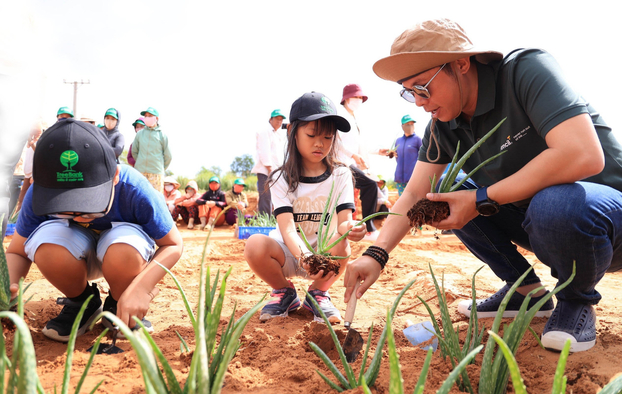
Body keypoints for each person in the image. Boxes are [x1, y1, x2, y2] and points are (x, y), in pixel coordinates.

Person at [344, 18, 622, 353]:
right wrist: (376, 254)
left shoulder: (525, 72)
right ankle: (525, 293)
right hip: (543, 223)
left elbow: (583, 155)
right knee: (443, 193)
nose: (419, 101)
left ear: (461, 64)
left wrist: (480, 198)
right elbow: (416, 193)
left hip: (603, 221)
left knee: (555, 202)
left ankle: (576, 301)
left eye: (423, 86)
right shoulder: (443, 125)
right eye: (409, 91)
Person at [5, 118, 183, 342]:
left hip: (123, 253)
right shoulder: (38, 193)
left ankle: (119, 301)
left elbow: (173, 244)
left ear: (115, 176)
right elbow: (17, 252)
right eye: (64, 209)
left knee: (122, 250)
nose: (77, 216)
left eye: (88, 206)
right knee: (47, 246)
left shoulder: (134, 188)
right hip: (72, 253)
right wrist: (7, 289)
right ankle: (82, 302)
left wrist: (141, 288)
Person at [244, 91, 366, 323]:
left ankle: (318, 293)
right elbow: (288, 229)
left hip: (325, 255)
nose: (320, 143)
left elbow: (344, 222)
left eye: (328, 137)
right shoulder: (281, 178)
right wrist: (305, 257)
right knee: (255, 245)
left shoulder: (340, 175)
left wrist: (352, 227)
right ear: (292, 131)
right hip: (290, 253)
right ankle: (284, 291)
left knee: (344, 245)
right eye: (311, 134)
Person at [335, 84, 380, 241]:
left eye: (361, 98)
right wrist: (353, 155)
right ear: (347, 99)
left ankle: (362, 228)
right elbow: (336, 142)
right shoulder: (340, 116)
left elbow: (360, 145)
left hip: (350, 164)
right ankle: (368, 229)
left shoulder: (354, 118)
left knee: (364, 187)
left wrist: (371, 155)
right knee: (369, 185)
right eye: (356, 97)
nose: (359, 100)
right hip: (339, 164)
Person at [251, 109, 287, 216]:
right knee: (266, 197)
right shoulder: (264, 131)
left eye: (281, 120)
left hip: (275, 171)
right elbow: (264, 151)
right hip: (266, 171)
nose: (279, 122)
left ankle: (271, 220)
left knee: (273, 197)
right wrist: (269, 168)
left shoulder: (278, 134)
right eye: (277, 119)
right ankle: (264, 221)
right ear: (271, 119)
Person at [132, 107, 172, 192]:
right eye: (146, 116)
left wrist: (159, 167)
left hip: (156, 174)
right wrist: (141, 161)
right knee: (139, 197)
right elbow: (134, 151)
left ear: (156, 118)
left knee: (156, 199)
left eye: (150, 116)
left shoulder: (162, 135)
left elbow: (168, 156)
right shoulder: (140, 134)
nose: (147, 117)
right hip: (140, 171)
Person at [392, 115, 422, 196]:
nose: (410, 126)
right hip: (400, 178)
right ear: (402, 126)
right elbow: (396, 157)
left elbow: (423, 157)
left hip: (413, 177)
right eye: (407, 124)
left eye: (412, 124)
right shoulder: (398, 141)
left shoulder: (418, 140)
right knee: (402, 200)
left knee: (413, 200)